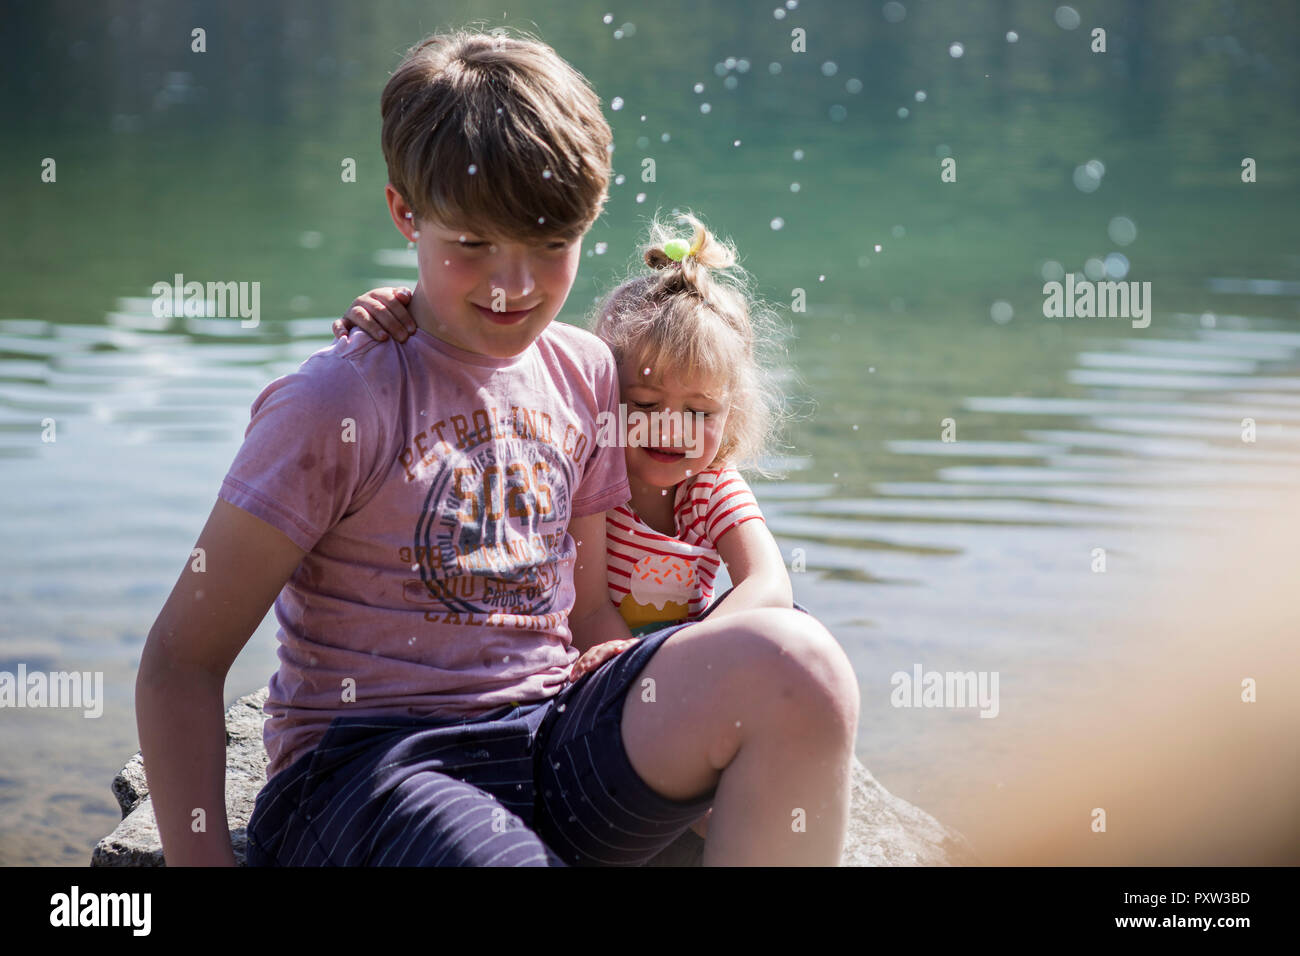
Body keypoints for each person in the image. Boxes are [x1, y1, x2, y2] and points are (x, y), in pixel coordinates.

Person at [136, 28, 859, 867]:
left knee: (801, 663)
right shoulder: (335, 401)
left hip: (548, 736)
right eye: (473, 245)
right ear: (406, 211)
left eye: (550, 245)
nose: (514, 286)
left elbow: (588, 609)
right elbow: (180, 663)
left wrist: (656, 697)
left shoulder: (587, 371)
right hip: (370, 770)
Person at [338, 211, 812, 841]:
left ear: (732, 413)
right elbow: (503, 344)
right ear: (600, 393)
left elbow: (769, 585)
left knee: (791, 631)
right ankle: (703, 820)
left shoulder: (711, 486)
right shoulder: (582, 466)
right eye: (644, 405)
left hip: (672, 678)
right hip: (589, 686)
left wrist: (677, 658)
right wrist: (401, 311)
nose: (671, 428)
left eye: (699, 411)